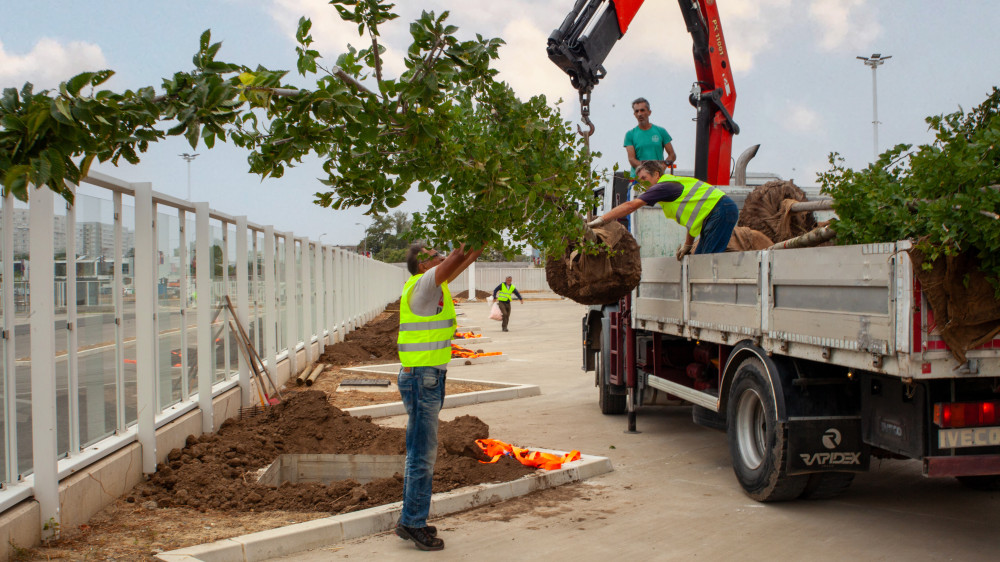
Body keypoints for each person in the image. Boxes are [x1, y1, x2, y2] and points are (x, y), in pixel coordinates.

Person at [395, 241, 483, 551]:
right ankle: (412, 522)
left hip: (427, 377)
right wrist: (465, 243)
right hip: (422, 378)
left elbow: (464, 259)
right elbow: (458, 256)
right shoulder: (423, 286)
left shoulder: (434, 285)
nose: (442, 258)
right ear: (423, 265)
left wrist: (481, 237)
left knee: (421, 451)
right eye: (435, 256)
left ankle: (412, 517)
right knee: (422, 454)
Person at [588, 160, 738, 259]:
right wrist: (687, 245)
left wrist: (602, 219)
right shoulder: (669, 189)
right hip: (717, 212)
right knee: (697, 259)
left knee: (704, 261)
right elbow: (691, 222)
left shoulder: (663, 186)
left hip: (721, 211)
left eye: (644, 178)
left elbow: (630, 205)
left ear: (657, 174)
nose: (642, 184)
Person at [624, 97, 677, 177]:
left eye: (642, 110)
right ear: (634, 114)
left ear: (649, 112)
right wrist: (648, 171)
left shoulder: (661, 131)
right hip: (638, 180)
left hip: (657, 178)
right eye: (636, 111)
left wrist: (662, 167)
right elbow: (632, 159)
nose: (639, 114)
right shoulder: (630, 134)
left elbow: (672, 155)